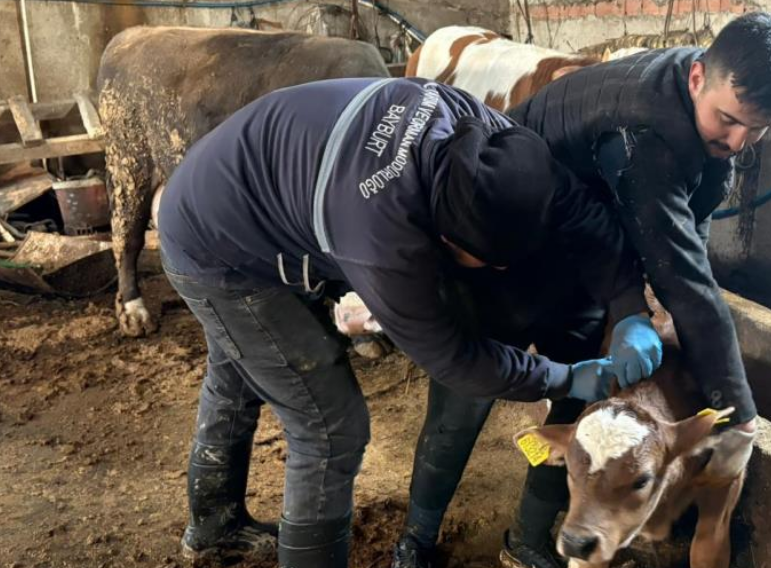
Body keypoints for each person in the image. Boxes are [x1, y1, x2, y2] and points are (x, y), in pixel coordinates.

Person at [156, 76, 662, 568]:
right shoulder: (385, 242)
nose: (500, 272)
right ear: (442, 239)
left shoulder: (486, 137)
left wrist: (629, 308)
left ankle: (213, 528)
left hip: (236, 184)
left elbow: (574, 207)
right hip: (216, 249)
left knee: (239, 370)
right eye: (488, 260)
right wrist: (563, 377)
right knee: (330, 425)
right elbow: (452, 358)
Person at [389, 11, 771, 568]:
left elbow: (689, 238)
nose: (738, 141)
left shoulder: (701, 117)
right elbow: (686, 282)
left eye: (755, 130)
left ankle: (530, 542)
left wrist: (630, 307)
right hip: (497, 258)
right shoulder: (649, 137)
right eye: (729, 120)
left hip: (586, 266)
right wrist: (740, 415)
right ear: (697, 79)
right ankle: (416, 539)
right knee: (463, 401)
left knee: (583, 412)